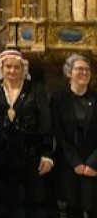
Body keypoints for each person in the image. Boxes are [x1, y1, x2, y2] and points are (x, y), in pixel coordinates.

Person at [0, 50, 56, 217]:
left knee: (29, 203)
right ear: (1, 68)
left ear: (23, 69)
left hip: (29, 154)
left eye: (17, 67)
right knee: (0, 202)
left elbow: (45, 123)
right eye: (8, 67)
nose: (12, 71)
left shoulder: (35, 89)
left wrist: (47, 154)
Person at [52, 53, 97, 218]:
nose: (84, 73)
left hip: (94, 165)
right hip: (68, 163)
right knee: (72, 209)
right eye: (79, 69)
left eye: (87, 70)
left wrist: (93, 163)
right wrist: (75, 162)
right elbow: (58, 133)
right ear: (69, 73)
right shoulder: (58, 99)